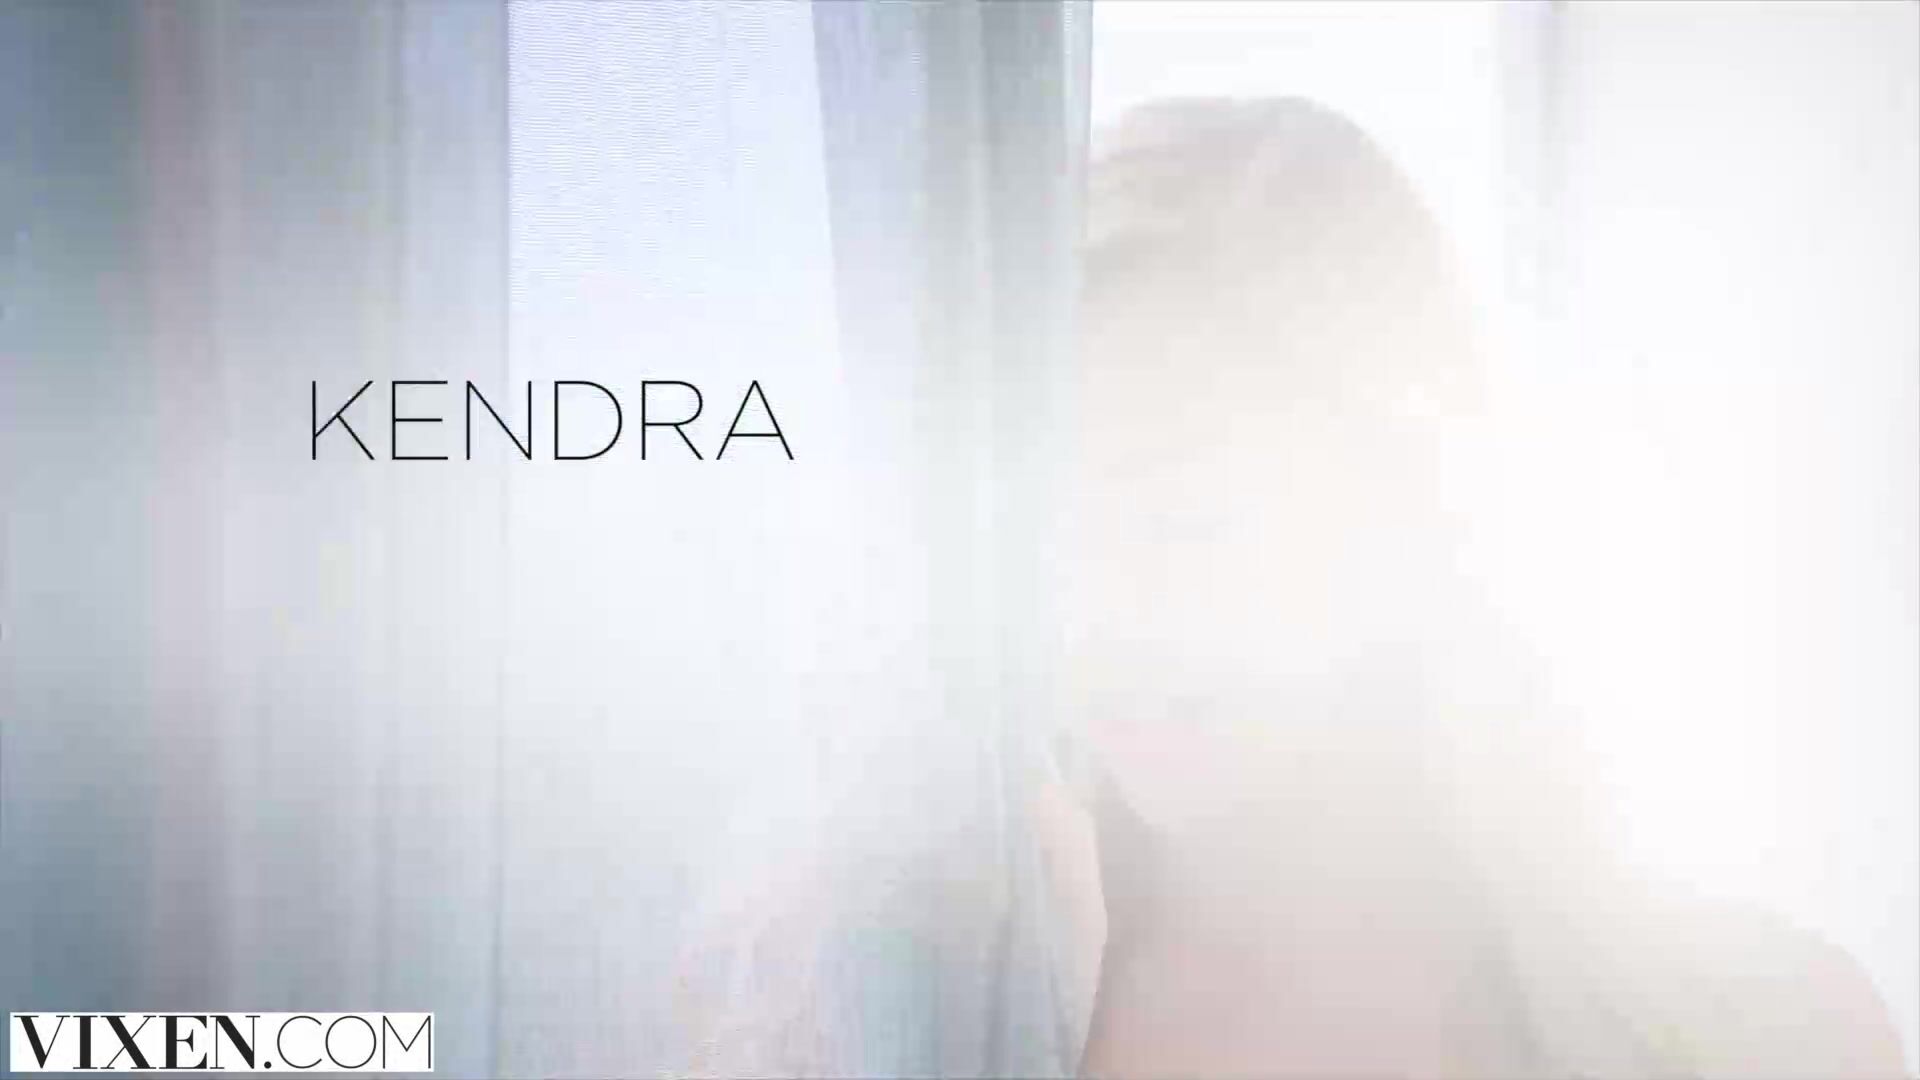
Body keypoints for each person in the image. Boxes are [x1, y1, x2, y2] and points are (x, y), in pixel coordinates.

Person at [1048, 96, 1906, 1079]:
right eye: (1055, 538)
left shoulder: (1774, 1032)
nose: (1100, 620)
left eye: (1182, 521)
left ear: (1410, 504)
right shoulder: (973, 1021)